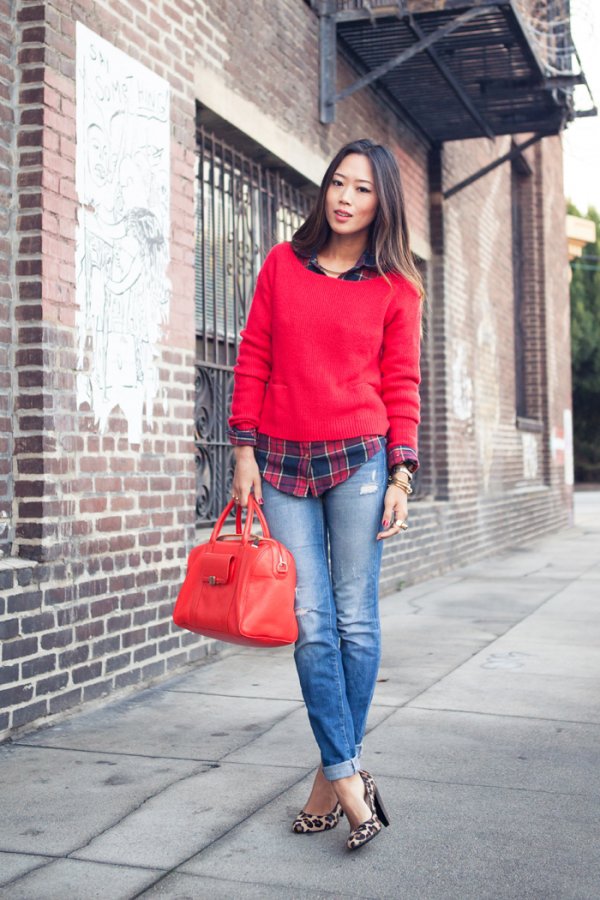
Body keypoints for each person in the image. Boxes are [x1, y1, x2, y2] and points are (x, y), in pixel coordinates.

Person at [228, 138, 423, 851]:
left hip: (360, 458)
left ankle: (327, 779)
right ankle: (348, 779)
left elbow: (402, 383)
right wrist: (241, 448)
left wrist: (402, 472)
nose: (344, 198)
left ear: (382, 202)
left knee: (356, 621)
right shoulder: (282, 264)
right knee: (311, 621)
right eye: (337, 183)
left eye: (362, 189)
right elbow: (253, 353)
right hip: (279, 459)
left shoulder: (397, 288)